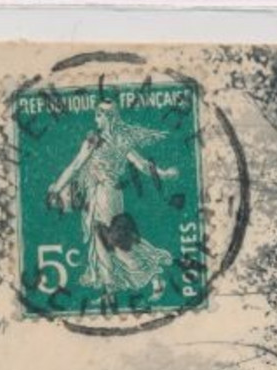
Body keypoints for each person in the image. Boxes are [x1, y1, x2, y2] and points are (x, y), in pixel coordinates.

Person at [47, 99, 179, 296]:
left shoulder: (96, 141)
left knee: (115, 241)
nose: (95, 119)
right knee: (104, 239)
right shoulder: (120, 140)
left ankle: (152, 275)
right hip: (108, 194)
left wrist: (57, 188)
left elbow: (76, 166)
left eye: (98, 115)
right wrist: (163, 173)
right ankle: (111, 288)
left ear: (107, 117)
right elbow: (142, 165)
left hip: (104, 195)